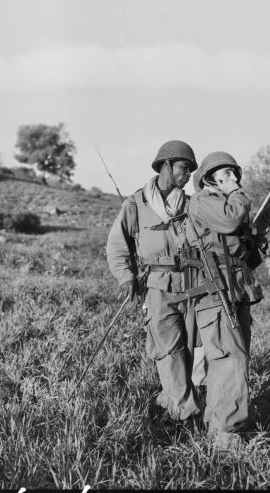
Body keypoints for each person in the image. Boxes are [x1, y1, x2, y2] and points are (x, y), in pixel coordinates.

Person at [106, 140, 200, 421]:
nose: (188, 174)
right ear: (166, 165)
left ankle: (173, 399)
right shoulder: (135, 204)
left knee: (192, 348)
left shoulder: (193, 205)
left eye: (192, 170)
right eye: (184, 167)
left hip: (193, 282)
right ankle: (184, 413)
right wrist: (126, 277)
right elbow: (117, 245)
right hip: (157, 285)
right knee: (167, 348)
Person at [184, 151, 264, 452]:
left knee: (231, 360)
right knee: (230, 361)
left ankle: (219, 425)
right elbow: (229, 222)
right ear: (208, 179)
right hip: (216, 292)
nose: (232, 179)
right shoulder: (203, 201)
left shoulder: (228, 203)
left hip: (236, 290)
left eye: (233, 173)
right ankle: (225, 434)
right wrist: (238, 195)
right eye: (224, 174)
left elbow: (241, 250)